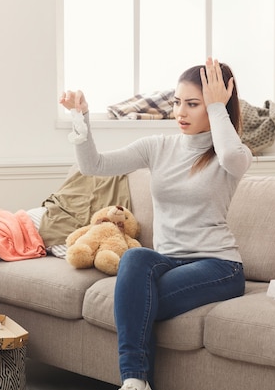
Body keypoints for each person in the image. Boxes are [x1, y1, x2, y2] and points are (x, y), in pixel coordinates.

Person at [59, 58, 253, 390]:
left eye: (193, 104)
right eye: (177, 102)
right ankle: (134, 380)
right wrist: (81, 118)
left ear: (217, 107)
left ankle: (134, 380)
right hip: (167, 260)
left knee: (136, 300)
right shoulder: (159, 146)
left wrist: (219, 106)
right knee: (134, 259)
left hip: (219, 266)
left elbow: (233, 156)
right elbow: (94, 165)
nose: (181, 112)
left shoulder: (230, 155)